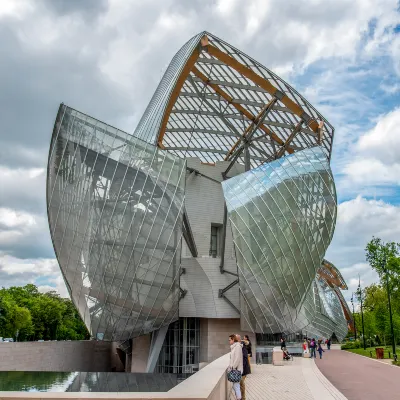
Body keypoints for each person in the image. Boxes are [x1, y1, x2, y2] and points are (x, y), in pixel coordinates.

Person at [228, 334, 243, 400]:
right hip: (235, 369)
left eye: (230, 340)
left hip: (237, 369)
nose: (229, 341)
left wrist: (233, 367)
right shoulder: (234, 347)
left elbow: (237, 359)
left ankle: (239, 398)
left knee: (236, 386)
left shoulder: (237, 347)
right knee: (236, 385)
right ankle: (238, 397)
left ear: (233, 339)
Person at [237, 334, 251, 400]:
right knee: (240, 384)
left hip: (243, 369)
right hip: (241, 369)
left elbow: (244, 359)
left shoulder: (242, 346)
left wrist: (240, 369)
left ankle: (243, 398)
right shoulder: (239, 346)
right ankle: (241, 397)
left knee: (241, 383)